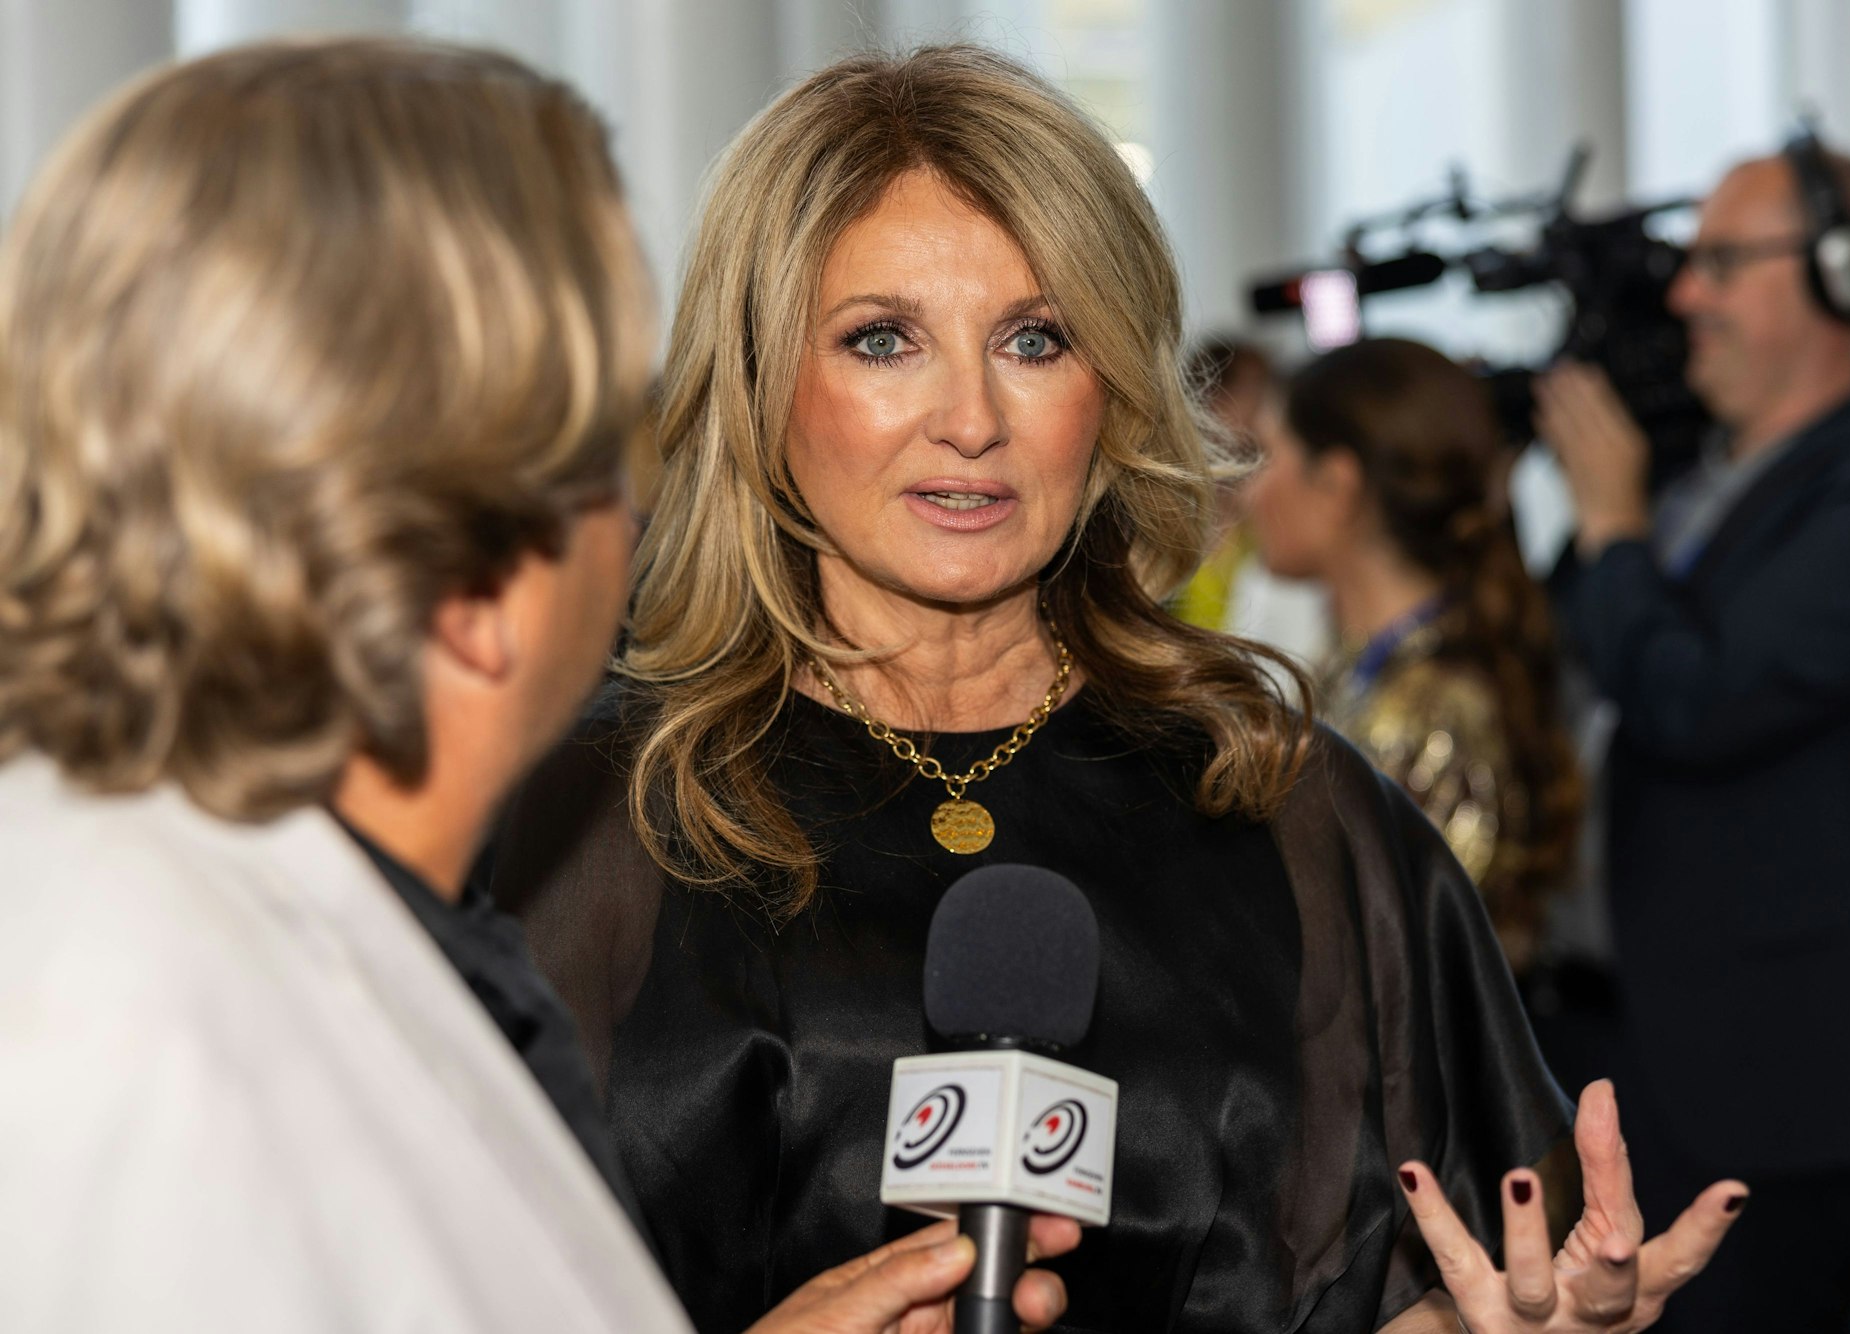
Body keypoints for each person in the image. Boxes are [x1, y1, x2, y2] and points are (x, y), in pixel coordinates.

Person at [488, 44, 1744, 1334]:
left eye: (1034, 338)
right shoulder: (581, 823)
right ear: (758, 383)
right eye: (882, 339)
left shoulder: (1291, 810)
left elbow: (1403, 1283)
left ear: (1113, 388)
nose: (969, 417)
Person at [0, 39, 1076, 1332]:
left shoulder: (283, 921)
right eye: (610, 429)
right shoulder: (126, 1004)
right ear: (483, 541)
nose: (634, 506)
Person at [1535, 140, 1850, 1332]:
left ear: (1839, 277)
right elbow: (1557, 672)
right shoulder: (1674, 480)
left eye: (1724, 262)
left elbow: (1703, 700)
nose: (1687, 294)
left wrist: (1610, 528)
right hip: (1598, 1052)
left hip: (1771, 1101)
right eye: (1687, 264)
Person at [1244, 338, 1582, 977]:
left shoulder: (1438, 711)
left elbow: (1390, 975)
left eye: (1267, 457)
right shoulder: (1363, 669)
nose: (1248, 492)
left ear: (1338, 486)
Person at [1172, 336, 1273, 630]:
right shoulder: (1170, 501)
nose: (1261, 415)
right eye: (1250, 394)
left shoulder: (1272, 501)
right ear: (1209, 399)